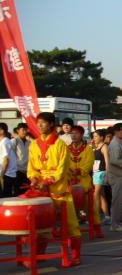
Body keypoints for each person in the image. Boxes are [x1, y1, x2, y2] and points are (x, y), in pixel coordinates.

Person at [28, 112, 81, 265]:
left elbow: (62, 169)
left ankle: (76, 256)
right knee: (41, 223)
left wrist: (48, 181)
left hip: (60, 190)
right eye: (38, 123)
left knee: (71, 224)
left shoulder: (60, 145)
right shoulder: (34, 144)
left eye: (43, 123)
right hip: (41, 190)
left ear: (51, 124)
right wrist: (33, 178)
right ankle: (39, 254)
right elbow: (31, 167)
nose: (39, 125)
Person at [68, 125, 103, 237]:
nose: (73, 135)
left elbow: (89, 164)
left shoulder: (88, 149)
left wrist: (79, 171)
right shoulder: (67, 148)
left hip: (84, 181)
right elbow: (65, 162)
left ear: (81, 135)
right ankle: (69, 228)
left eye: (76, 133)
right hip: (70, 181)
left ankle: (96, 227)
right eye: (72, 133)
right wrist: (69, 171)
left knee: (90, 206)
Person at [92, 130, 110, 224]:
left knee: (96, 195)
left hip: (101, 173)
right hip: (95, 172)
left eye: (96, 136)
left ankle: (97, 216)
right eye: (93, 136)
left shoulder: (104, 147)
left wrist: (107, 175)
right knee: (102, 196)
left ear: (101, 137)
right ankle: (107, 216)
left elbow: (107, 162)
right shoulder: (95, 147)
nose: (94, 138)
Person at [11, 123, 30, 194]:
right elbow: (10, 156)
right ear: (18, 130)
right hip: (17, 171)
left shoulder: (29, 142)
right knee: (18, 192)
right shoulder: (14, 141)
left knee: (27, 192)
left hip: (27, 171)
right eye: (23, 130)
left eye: (26, 130)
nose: (25, 132)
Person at [0, 123, 17, 197]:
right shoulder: (5, 141)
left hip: (6, 174)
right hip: (8, 174)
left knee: (5, 197)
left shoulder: (4, 142)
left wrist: (1, 174)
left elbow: (6, 159)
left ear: (2, 131)